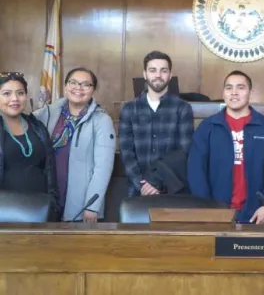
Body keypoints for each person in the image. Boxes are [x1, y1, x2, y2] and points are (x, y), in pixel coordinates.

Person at [188, 70, 264, 224]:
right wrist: (207, 208)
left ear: (250, 93)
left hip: (255, 213)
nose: (234, 93)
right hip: (216, 213)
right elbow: (196, 171)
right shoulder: (207, 127)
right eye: (229, 88)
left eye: (240, 87)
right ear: (223, 92)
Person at [34, 68, 115, 222]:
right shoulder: (50, 112)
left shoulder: (102, 120)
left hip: (81, 203)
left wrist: (92, 206)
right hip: (48, 196)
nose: (79, 88)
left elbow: (103, 168)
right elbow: (20, 120)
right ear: (66, 86)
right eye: (73, 82)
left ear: (93, 90)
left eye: (86, 84)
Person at [119, 51, 194, 197]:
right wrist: (141, 184)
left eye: (163, 70)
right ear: (145, 74)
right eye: (152, 70)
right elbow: (127, 153)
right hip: (137, 192)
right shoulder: (129, 109)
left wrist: (156, 181)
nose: (158, 75)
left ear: (170, 75)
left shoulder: (182, 108)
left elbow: (184, 150)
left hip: (172, 190)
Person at [0, 73, 59, 219]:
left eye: (20, 93)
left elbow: (50, 168)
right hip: (5, 210)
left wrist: (53, 203)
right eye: (6, 94)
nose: (15, 99)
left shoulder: (37, 126)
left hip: (40, 208)